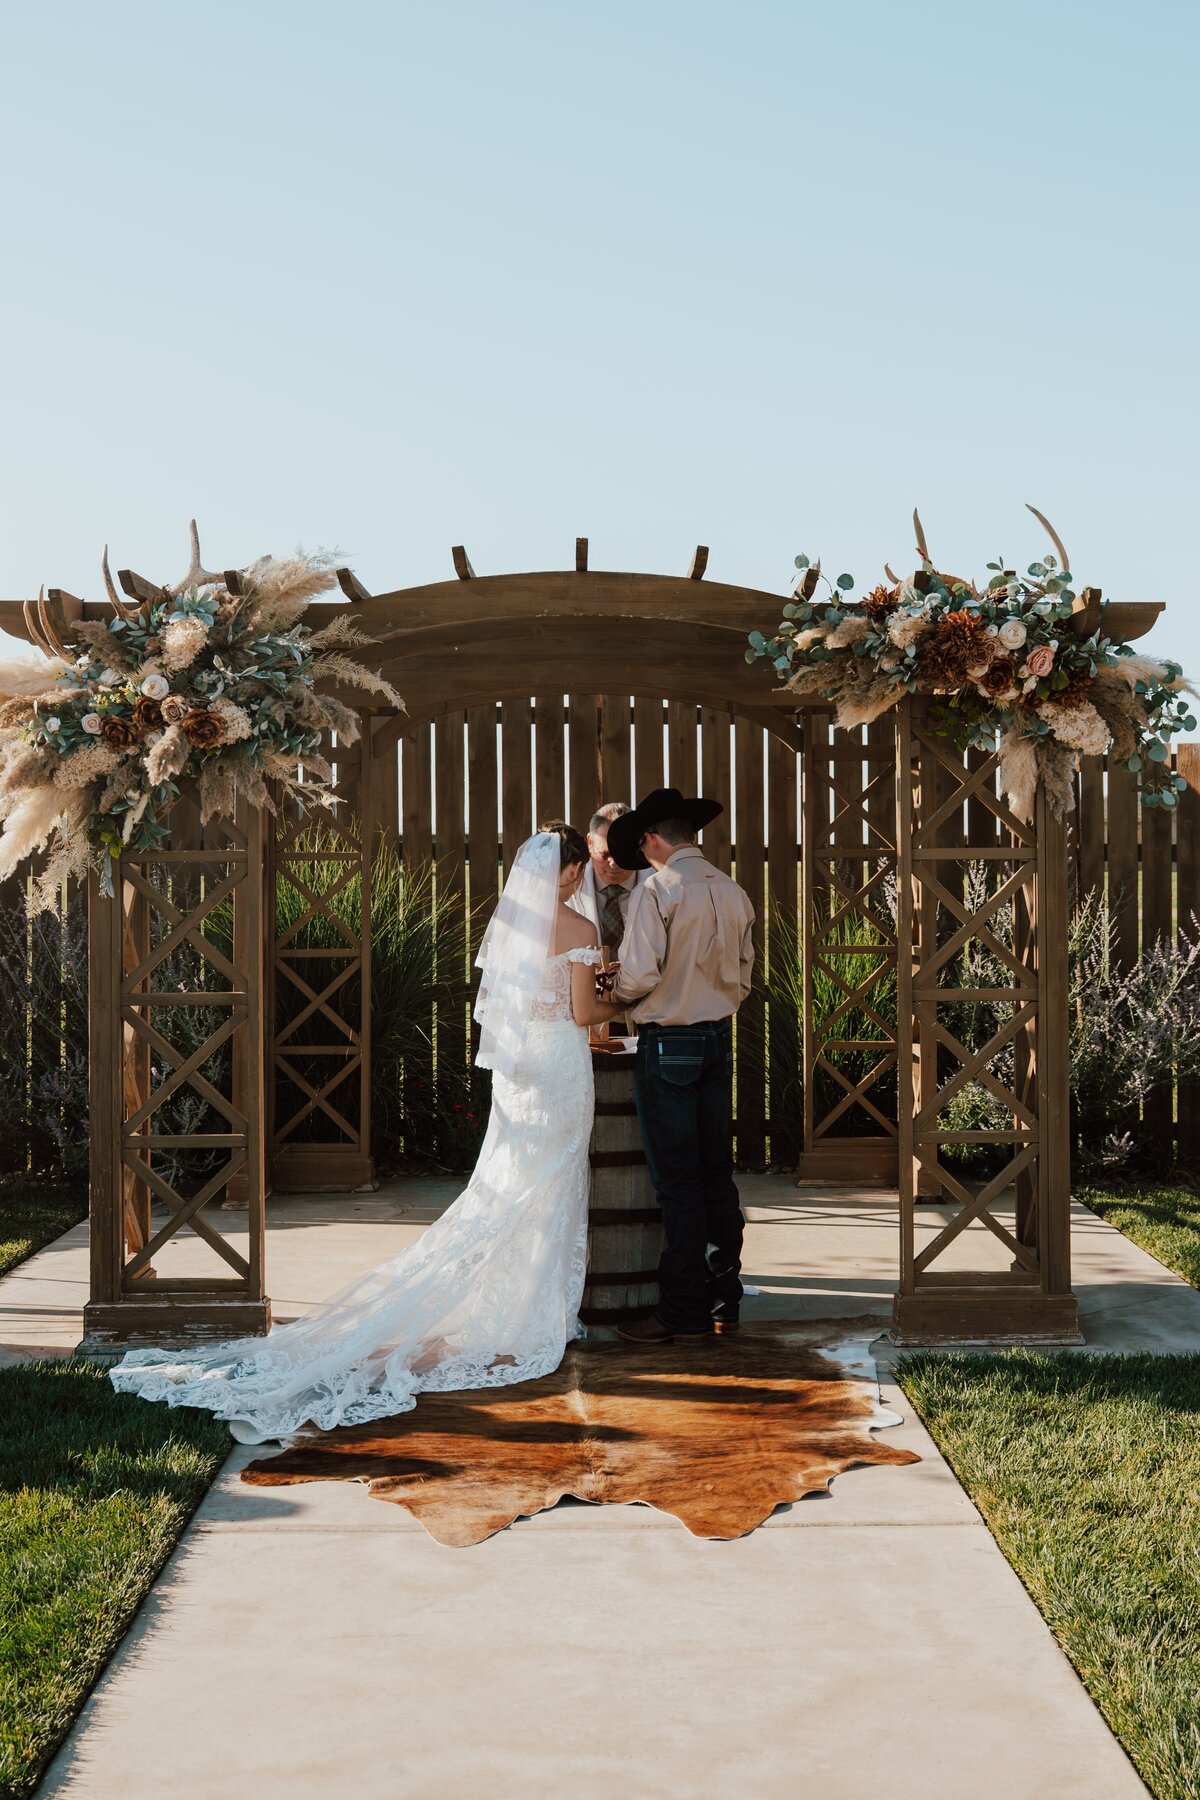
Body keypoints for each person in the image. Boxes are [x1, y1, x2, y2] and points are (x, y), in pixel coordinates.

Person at [109, 824, 626, 1443]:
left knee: (511, 1184)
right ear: (569, 870)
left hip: (519, 1073)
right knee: (553, 1187)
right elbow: (583, 1014)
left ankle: (526, 1311)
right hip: (562, 1070)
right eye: (579, 868)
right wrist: (618, 997)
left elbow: (502, 1006)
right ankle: (541, 1318)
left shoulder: (512, 926)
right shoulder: (581, 931)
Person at [605, 788, 755, 1346]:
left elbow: (639, 976)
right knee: (717, 1173)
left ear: (650, 839)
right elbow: (742, 978)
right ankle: (725, 1299)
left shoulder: (659, 891)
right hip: (718, 1039)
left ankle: (681, 1310)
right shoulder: (733, 890)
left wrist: (614, 989)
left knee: (679, 1184)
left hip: (669, 1044)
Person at [567, 800, 651, 956]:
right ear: (590, 843)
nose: (613, 863)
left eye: (622, 854)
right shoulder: (568, 887)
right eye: (605, 855)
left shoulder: (657, 885)